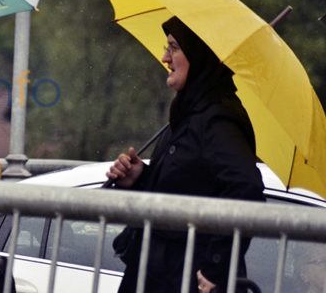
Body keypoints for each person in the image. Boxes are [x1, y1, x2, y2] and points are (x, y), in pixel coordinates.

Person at [105, 16, 265, 293]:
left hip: (186, 279)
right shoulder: (188, 114)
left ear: (198, 54)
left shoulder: (217, 119)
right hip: (157, 274)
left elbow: (246, 188)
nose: (165, 57)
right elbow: (187, 183)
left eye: (174, 47)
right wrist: (140, 177)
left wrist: (216, 266)